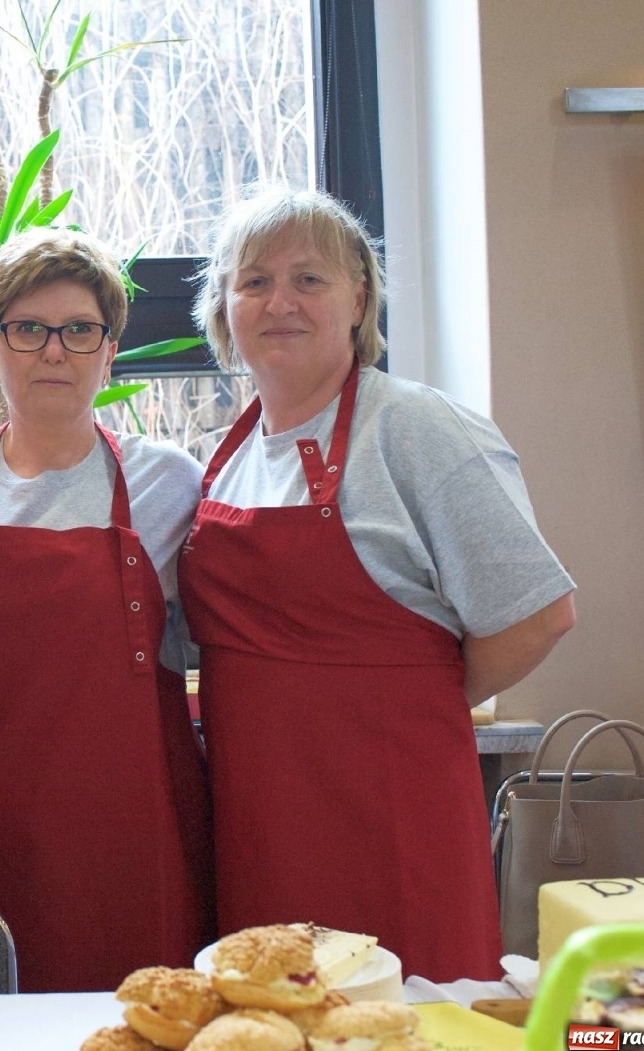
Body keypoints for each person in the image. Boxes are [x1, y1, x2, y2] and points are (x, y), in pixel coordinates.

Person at [180, 186, 576, 981]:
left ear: (359, 298)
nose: (279, 301)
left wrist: (406, 699)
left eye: (309, 279)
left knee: (405, 1022)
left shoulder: (418, 428)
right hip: (260, 818)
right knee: (279, 1022)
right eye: (254, 280)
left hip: (393, 810)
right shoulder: (230, 455)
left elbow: (539, 613)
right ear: (224, 307)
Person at [0, 228, 213, 992]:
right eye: (27, 329)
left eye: (80, 330)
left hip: (128, 839)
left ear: (109, 351)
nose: (54, 351)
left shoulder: (170, 483)